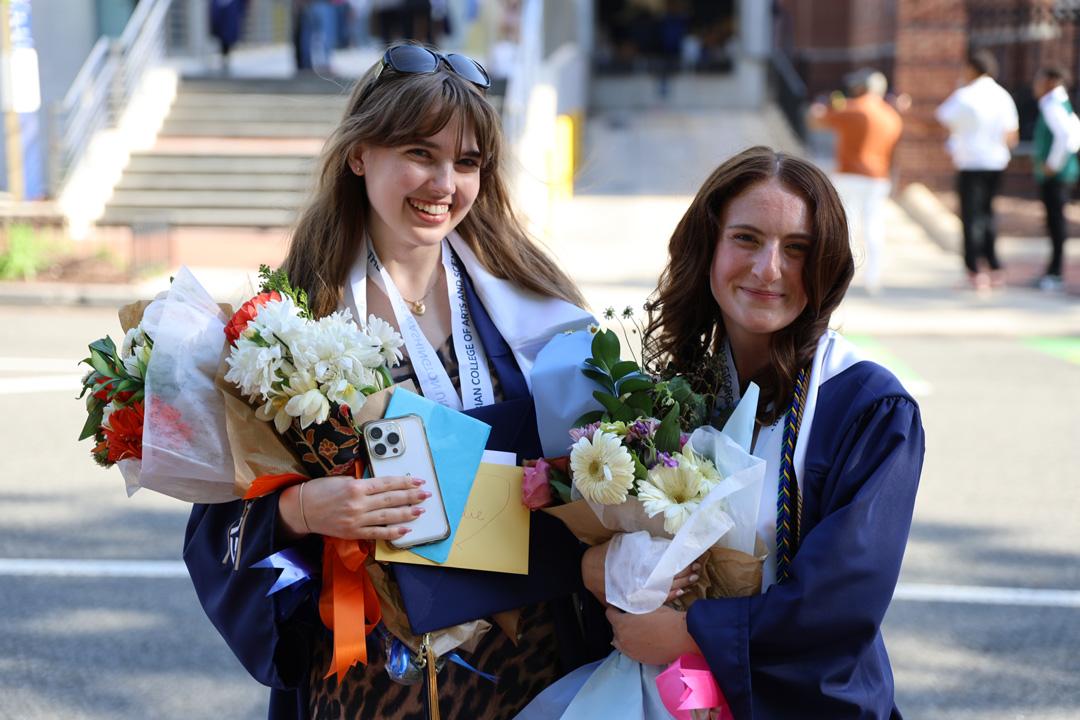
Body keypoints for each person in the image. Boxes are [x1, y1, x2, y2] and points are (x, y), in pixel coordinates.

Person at [184, 44, 609, 720]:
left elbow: (597, 481)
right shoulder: (289, 322)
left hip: (525, 670)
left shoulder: (539, 312)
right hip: (365, 678)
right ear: (360, 154)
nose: (444, 183)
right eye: (420, 153)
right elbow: (217, 514)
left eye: (466, 162)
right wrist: (301, 511)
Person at [580, 146, 925, 718]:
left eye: (798, 249)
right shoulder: (674, 394)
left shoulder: (866, 406)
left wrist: (691, 635)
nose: (769, 269)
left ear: (827, 265)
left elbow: (840, 603)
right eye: (746, 238)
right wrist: (600, 567)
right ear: (708, 247)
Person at [808, 68, 903, 294]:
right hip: (878, 177)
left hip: (849, 174)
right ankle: (873, 277)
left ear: (862, 87)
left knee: (846, 225)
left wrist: (819, 108)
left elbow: (817, 121)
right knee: (874, 225)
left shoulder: (852, 109)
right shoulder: (892, 115)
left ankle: (839, 276)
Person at [935, 49, 1019, 291]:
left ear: (972, 68)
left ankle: (974, 270)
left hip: (971, 163)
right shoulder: (1003, 96)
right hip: (995, 162)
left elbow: (941, 119)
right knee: (988, 214)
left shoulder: (965, 95)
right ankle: (994, 266)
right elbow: (1012, 135)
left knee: (971, 218)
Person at [1031, 65, 1080, 293]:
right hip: (1062, 173)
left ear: (1050, 80)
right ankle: (1053, 270)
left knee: (1056, 223)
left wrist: (1052, 164)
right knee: (1055, 223)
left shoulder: (1052, 104)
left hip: (1057, 176)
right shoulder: (1060, 103)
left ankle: (1055, 273)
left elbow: (1068, 136)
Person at [210, 0, 251, 74]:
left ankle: (225, 57)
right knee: (223, 36)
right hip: (222, 15)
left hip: (229, 13)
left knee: (227, 36)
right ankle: (224, 56)